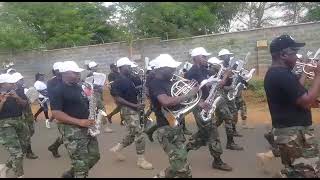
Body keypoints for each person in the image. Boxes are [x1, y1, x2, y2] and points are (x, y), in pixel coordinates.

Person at [264, 34, 320, 178]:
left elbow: (296, 95)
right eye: (294, 53)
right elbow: (306, 101)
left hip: (294, 132)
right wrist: (318, 76)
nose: (297, 57)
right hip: (292, 133)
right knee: (307, 172)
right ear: (283, 54)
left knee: (301, 170)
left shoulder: (282, 73)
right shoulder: (281, 75)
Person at [148, 54, 198, 178]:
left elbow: (181, 100)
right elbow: (166, 101)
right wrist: (188, 95)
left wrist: (200, 102)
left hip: (176, 126)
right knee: (181, 167)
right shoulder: (155, 83)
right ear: (162, 69)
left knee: (181, 163)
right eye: (171, 69)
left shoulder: (170, 81)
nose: (174, 70)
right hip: (165, 129)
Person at [184, 47, 232, 171]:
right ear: (196, 58)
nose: (206, 59)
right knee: (212, 132)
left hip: (207, 103)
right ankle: (217, 161)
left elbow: (213, 84)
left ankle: (185, 149)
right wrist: (225, 75)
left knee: (204, 134)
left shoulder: (203, 69)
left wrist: (223, 76)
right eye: (204, 57)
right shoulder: (192, 72)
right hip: (200, 106)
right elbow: (190, 92)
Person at [50, 61, 100, 178]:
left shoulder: (79, 87)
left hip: (87, 126)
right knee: (81, 164)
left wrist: (95, 116)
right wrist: (80, 122)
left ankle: (69, 174)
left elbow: (86, 104)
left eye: (79, 73)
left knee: (94, 156)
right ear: (64, 74)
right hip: (72, 130)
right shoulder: (58, 90)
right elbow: (56, 113)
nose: (78, 75)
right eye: (75, 73)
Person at [109, 57, 153, 170]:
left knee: (132, 133)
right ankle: (141, 160)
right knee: (139, 133)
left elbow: (139, 88)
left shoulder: (131, 78)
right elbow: (117, 99)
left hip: (136, 107)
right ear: (121, 68)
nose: (130, 68)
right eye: (128, 66)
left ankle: (117, 148)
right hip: (128, 110)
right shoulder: (117, 82)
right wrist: (134, 105)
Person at [0, 73, 29, 178]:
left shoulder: (17, 91)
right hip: (5, 124)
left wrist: (17, 97)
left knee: (24, 148)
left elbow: (25, 105)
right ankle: (20, 175)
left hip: (20, 121)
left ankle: (5, 167)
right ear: (2, 84)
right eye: (10, 82)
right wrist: (2, 101)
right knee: (17, 153)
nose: (13, 84)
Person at [215, 48, 244, 150]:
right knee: (224, 117)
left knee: (233, 112)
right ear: (222, 57)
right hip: (221, 94)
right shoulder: (218, 67)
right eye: (226, 55)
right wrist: (227, 87)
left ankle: (233, 131)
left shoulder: (230, 66)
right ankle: (206, 133)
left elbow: (233, 78)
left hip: (229, 94)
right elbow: (216, 84)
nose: (229, 57)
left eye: (229, 55)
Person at [14, 72, 39, 159]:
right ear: (16, 81)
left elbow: (29, 102)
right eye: (21, 80)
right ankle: (29, 152)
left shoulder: (22, 89)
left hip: (28, 113)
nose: (22, 81)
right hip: (21, 114)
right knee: (27, 133)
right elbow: (22, 103)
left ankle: (23, 144)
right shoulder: (14, 92)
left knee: (31, 131)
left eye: (22, 79)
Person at [86, 61, 113, 133]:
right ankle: (105, 127)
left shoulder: (95, 75)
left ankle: (94, 127)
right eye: (95, 66)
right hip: (94, 95)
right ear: (92, 68)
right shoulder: (90, 75)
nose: (96, 67)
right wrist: (99, 86)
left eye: (96, 66)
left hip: (97, 95)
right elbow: (89, 85)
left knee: (95, 111)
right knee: (101, 110)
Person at [47, 62, 64, 158]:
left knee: (69, 131)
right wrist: (54, 114)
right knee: (65, 132)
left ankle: (54, 146)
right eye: (58, 70)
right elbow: (53, 98)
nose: (60, 72)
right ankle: (54, 146)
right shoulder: (51, 82)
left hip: (70, 108)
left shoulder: (66, 79)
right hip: (59, 109)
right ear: (54, 71)